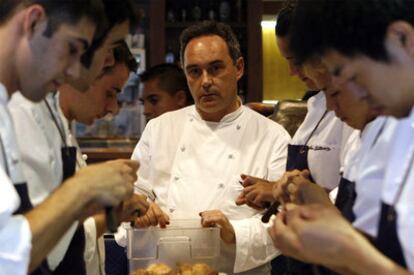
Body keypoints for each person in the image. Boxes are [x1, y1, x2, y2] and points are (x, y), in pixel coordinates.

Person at [116, 21, 291, 274]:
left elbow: (283, 220)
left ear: (238, 67)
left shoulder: (273, 137)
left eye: (216, 68)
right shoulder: (159, 129)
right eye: (194, 72)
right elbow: (133, 193)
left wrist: (235, 233)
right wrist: (139, 209)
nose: (205, 81)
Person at [269, 0, 414, 273]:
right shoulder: (389, 129)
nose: (358, 95)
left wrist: (350, 252)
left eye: (352, 76)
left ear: (402, 39)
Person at [0, 1, 139, 275]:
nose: (74, 70)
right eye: (72, 48)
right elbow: (7, 256)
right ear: (34, 21)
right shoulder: (19, 109)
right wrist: (80, 189)